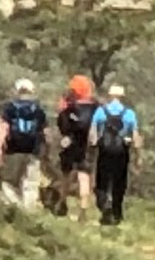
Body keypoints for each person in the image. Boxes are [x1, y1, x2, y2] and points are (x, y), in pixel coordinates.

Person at [90, 85, 139, 226]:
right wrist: (138, 155)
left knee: (102, 181)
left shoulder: (101, 111)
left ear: (110, 96)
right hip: (122, 152)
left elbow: (93, 133)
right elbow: (135, 137)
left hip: (104, 151)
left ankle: (104, 204)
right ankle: (117, 213)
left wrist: (92, 146)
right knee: (119, 182)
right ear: (122, 96)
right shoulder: (129, 113)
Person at [0, 78, 50, 210]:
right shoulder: (38, 110)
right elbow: (46, 132)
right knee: (31, 182)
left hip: (13, 149)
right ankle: (29, 211)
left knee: (9, 181)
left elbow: (4, 129)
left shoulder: (9, 108)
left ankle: (16, 207)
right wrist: (46, 151)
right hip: (33, 150)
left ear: (17, 90)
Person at [54, 76, 98, 218]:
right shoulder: (96, 107)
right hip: (87, 146)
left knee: (66, 175)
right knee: (84, 177)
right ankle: (83, 209)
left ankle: (62, 203)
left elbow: (62, 125)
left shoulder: (69, 107)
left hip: (71, 144)